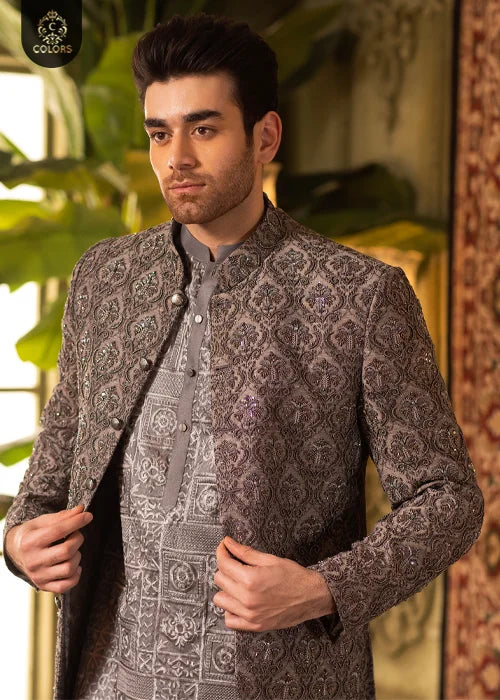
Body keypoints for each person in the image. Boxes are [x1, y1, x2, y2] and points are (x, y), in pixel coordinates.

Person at [3, 13, 483, 700]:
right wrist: (19, 543)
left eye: (203, 129)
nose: (176, 158)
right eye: (159, 134)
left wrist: (323, 588)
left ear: (265, 137)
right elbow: (51, 478)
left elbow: (447, 499)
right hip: (108, 681)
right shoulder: (107, 279)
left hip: (274, 681)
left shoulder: (359, 295)